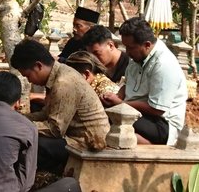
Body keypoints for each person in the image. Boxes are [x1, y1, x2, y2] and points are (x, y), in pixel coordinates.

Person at [11, 39, 109, 174]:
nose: (30, 81)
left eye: (28, 76)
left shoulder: (63, 82)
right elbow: (46, 114)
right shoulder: (57, 75)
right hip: (72, 137)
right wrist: (18, 119)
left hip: (86, 142)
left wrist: (18, 125)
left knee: (30, 144)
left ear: (38, 66)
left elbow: (55, 129)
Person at [101, 17, 187, 145]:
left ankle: (146, 144)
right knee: (100, 113)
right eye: (126, 47)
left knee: (110, 120)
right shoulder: (137, 57)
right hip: (137, 113)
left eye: (130, 48)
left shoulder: (164, 64)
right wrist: (117, 96)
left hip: (161, 123)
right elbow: (128, 83)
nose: (127, 52)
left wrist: (121, 103)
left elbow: (157, 109)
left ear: (147, 45)